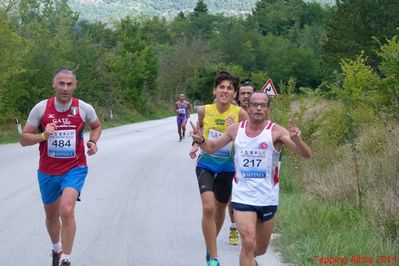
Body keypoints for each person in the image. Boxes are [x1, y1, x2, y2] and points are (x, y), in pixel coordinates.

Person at [190, 91, 311, 266]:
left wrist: (298, 140)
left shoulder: (276, 132)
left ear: (268, 109)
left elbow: (305, 155)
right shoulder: (235, 130)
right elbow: (211, 148)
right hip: (242, 196)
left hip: (267, 197)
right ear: (248, 107)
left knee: (259, 249)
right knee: (247, 242)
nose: (259, 108)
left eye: (263, 105)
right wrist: (201, 141)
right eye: (255, 104)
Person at [19, 67, 102, 266]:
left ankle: (66, 259)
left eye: (69, 84)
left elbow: (96, 126)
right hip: (48, 170)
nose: (65, 88)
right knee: (52, 215)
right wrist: (42, 136)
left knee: (66, 210)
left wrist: (93, 141)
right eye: (61, 83)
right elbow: (23, 139)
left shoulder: (83, 108)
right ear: (54, 84)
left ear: (75, 85)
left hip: (75, 167)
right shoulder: (41, 108)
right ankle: (57, 249)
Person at [189, 71, 249, 266]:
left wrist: (235, 131)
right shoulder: (204, 110)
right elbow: (200, 131)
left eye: (229, 88)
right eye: (221, 87)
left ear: (235, 94)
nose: (225, 91)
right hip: (206, 164)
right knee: (208, 207)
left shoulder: (240, 114)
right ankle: (213, 258)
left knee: (220, 208)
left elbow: (248, 142)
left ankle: (210, 245)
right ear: (214, 90)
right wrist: (196, 143)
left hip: (228, 168)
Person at [228, 78, 256, 246]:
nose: (246, 96)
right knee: (233, 196)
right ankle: (233, 227)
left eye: (249, 93)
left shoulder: (260, 111)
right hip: (234, 160)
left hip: (255, 163)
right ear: (237, 96)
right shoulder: (232, 112)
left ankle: (251, 227)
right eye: (243, 93)